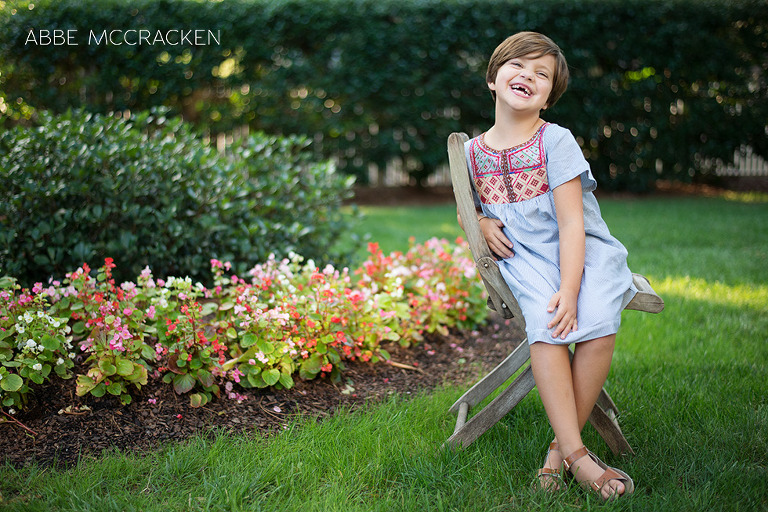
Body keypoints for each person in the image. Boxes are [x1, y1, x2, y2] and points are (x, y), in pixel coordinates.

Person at [457, 31, 636, 500]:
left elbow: (573, 223)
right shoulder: (472, 152)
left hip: (582, 251)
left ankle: (561, 450)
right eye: (519, 66)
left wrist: (573, 289)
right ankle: (581, 457)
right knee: (546, 324)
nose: (528, 77)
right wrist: (476, 218)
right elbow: (464, 203)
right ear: (494, 78)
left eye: (542, 74)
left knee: (596, 321)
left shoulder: (554, 141)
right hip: (524, 257)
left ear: (549, 96)